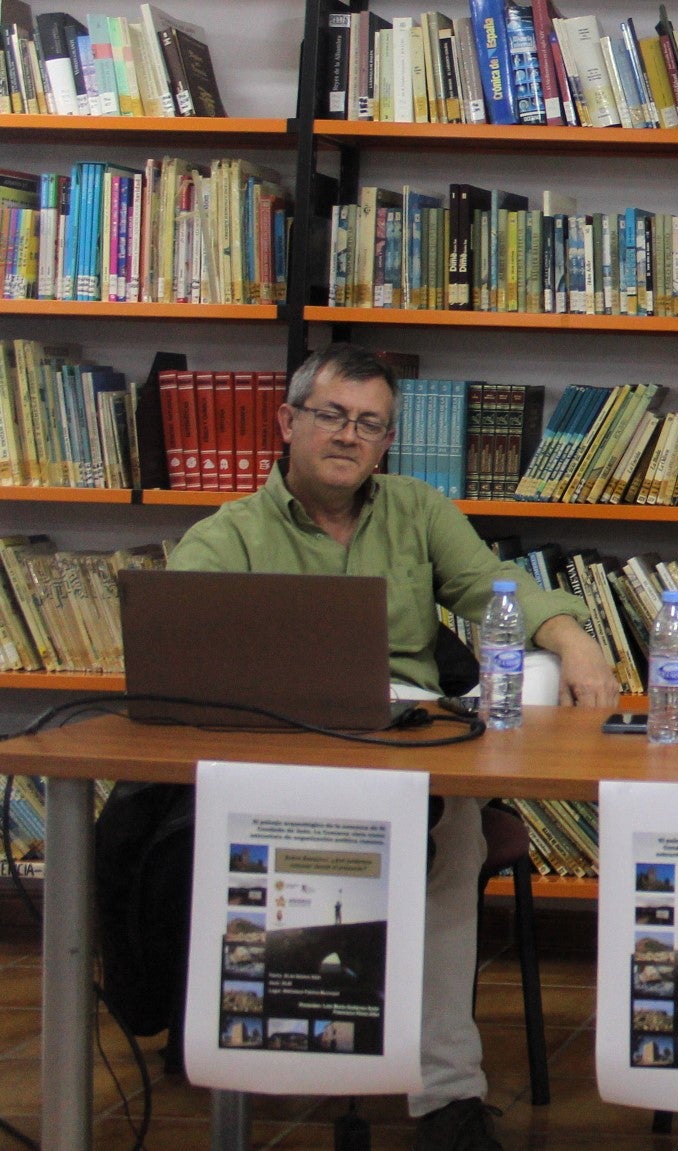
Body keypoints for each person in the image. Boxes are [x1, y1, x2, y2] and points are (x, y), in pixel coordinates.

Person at [169, 343, 621, 1151]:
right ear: (288, 422)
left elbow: (495, 588)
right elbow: (183, 654)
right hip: (285, 760)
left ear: (386, 442)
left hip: (411, 755)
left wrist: (574, 638)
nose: (348, 436)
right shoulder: (225, 535)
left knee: (452, 835)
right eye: (332, 416)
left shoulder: (418, 509)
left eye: (370, 424)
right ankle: (265, 1061)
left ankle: (447, 1097)